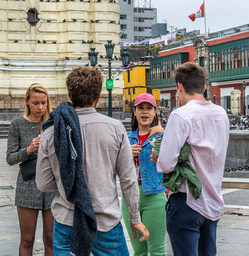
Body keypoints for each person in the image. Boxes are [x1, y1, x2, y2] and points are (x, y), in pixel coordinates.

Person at [36, 67, 149, 256]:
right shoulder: (115, 128)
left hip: (67, 222)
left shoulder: (51, 131)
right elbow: (128, 180)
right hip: (104, 221)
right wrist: (135, 218)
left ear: (69, 94)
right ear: (98, 95)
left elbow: (43, 183)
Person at [153, 62, 229, 256]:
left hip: (187, 201)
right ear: (203, 87)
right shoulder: (221, 114)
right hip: (213, 202)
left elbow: (166, 164)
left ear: (179, 86)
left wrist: (156, 157)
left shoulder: (181, 115)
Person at [6, 83, 56, 256]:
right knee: (27, 240)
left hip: (52, 186)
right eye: (35, 103)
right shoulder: (17, 124)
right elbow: (10, 159)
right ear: (26, 101)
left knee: (51, 238)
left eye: (44, 102)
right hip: (27, 185)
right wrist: (29, 149)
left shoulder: (54, 123)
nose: (40, 107)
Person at [122, 93, 167, 256]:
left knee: (157, 250)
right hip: (129, 198)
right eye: (140, 108)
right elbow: (113, 168)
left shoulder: (163, 136)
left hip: (154, 195)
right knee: (139, 252)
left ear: (155, 112)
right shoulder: (125, 138)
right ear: (134, 111)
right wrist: (125, 152)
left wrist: (162, 132)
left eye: (149, 108)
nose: (144, 112)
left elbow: (175, 160)